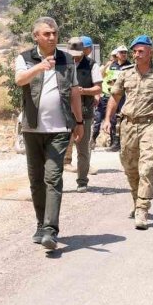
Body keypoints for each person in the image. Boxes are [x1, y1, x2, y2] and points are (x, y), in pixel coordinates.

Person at [14, 17, 84, 251]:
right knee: (36, 181)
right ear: (36, 37)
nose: (52, 37)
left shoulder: (67, 60)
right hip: (32, 128)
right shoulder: (24, 58)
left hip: (59, 129)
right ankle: (41, 225)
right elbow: (19, 80)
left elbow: (74, 91)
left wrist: (79, 120)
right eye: (47, 34)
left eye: (54, 33)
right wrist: (39, 66)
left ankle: (51, 231)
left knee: (53, 178)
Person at [103, 35, 153, 230]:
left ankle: (142, 208)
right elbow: (115, 96)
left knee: (147, 167)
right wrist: (107, 120)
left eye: (140, 51)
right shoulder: (125, 73)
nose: (136, 55)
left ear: (150, 52)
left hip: (150, 125)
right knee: (130, 166)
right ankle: (136, 199)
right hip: (127, 125)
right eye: (134, 51)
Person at [63, 36, 101, 192]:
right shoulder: (62, 64)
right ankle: (55, 183)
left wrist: (82, 91)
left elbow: (98, 89)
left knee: (83, 149)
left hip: (84, 113)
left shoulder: (92, 65)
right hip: (64, 113)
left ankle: (82, 181)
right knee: (58, 148)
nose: (74, 56)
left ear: (84, 51)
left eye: (77, 53)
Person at [92, 45, 129, 151]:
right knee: (102, 119)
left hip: (121, 97)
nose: (123, 54)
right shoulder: (110, 65)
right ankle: (100, 141)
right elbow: (100, 78)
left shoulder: (129, 66)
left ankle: (118, 143)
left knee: (119, 120)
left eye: (125, 52)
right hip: (107, 96)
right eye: (121, 52)